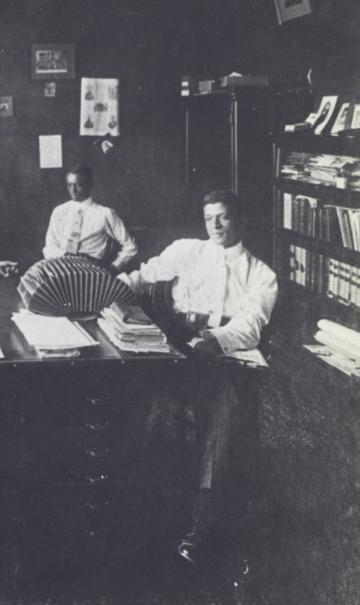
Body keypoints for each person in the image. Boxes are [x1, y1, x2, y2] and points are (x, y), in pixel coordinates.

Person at [119, 190, 278, 565]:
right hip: (178, 342)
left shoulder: (261, 274)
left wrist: (215, 339)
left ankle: (202, 522)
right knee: (156, 398)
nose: (216, 226)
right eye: (210, 219)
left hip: (227, 353)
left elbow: (250, 325)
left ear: (239, 219)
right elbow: (143, 276)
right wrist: (109, 289)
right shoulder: (187, 251)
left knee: (226, 408)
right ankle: (145, 507)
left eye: (223, 217)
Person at [43, 162, 137, 271]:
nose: (73, 190)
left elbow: (130, 246)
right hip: (61, 269)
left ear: (89, 184)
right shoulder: (59, 211)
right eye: (69, 185)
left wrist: (114, 267)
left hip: (91, 273)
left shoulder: (105, 213)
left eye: (78, 185)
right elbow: (49, 246)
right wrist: (66, 256)